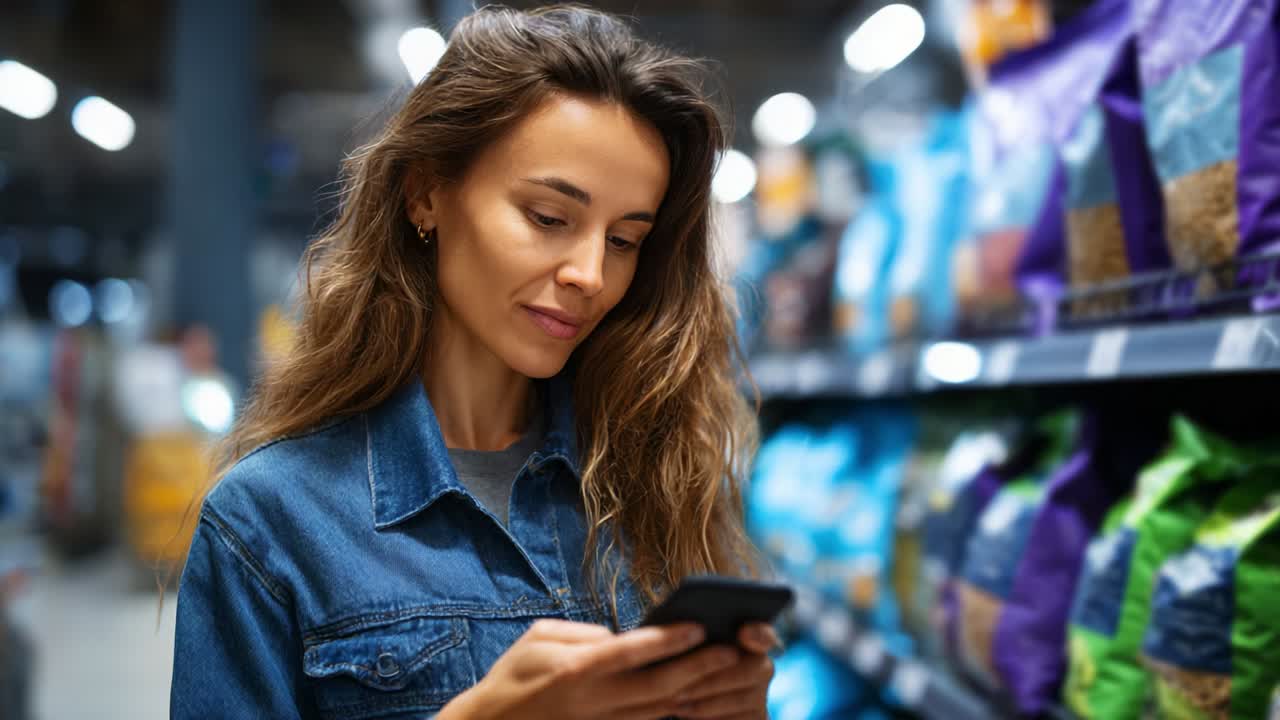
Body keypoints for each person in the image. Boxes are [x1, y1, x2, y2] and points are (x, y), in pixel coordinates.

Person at [171, 5, 774, 719]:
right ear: (427, 193)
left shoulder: (656, 482)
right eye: (550, 218)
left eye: (623, 240)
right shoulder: (271, 523)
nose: (590, 273)